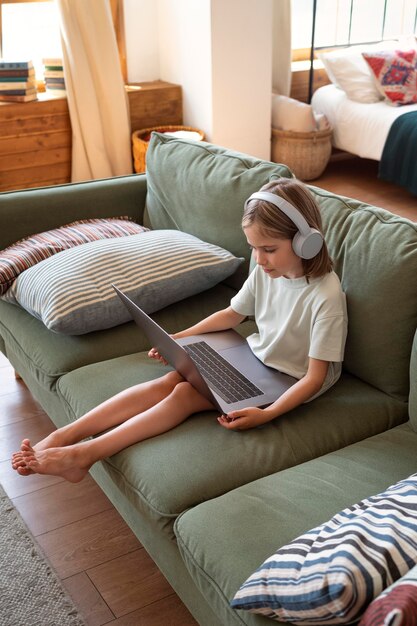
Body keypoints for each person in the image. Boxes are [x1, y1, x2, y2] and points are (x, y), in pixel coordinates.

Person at [11, 177, 347, 483]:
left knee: (185, 394)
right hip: (258, 361)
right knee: (173, 378)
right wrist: (179, 339)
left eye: (269, 249)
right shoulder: (265, 271)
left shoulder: (326, 294)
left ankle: (83, 455)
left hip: (293, 379)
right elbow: (232, 314)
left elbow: (314, 378)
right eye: (253, 248)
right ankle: (63, 437)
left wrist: (268, 414)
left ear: (306, 243)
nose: (258, 259)